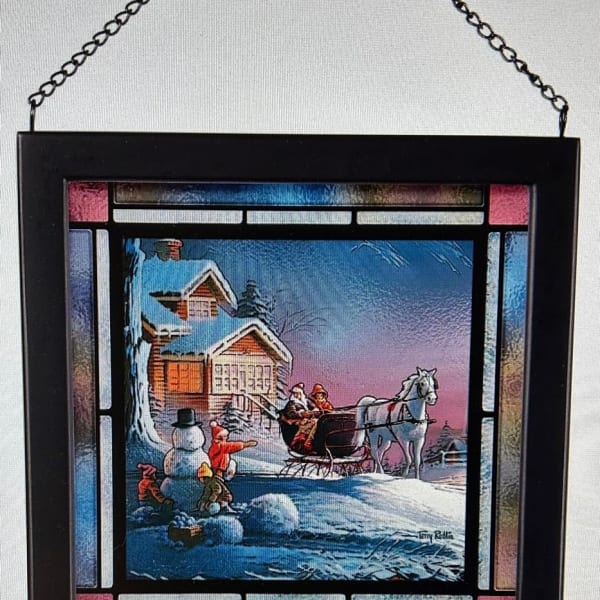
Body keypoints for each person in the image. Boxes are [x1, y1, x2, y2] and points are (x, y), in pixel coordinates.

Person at [280, 382, 324, 454]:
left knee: (317, 422)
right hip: (297, 422)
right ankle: (307, 442)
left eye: (297, 393)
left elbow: (314, 407)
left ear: (301, 394)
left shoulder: (305, 402)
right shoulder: (292, 403)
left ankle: (312, 442)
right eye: (294, 393)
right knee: (315, 422)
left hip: (306, 420)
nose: (296, 395)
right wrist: (301, 414)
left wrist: (314, 411)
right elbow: (291, 413)